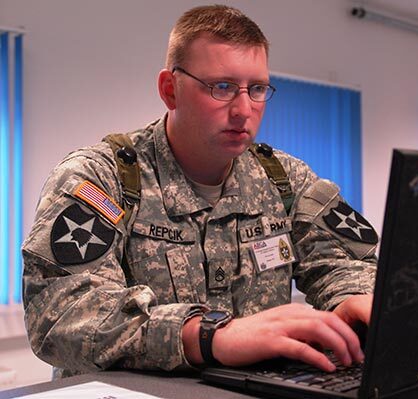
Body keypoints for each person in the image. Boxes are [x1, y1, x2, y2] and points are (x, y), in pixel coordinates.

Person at [22, 5, 378, 378]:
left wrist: (352, 297)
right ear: (169, 89)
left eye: (256, 89)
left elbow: (345, 264)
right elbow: (61, 315)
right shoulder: (103, 178)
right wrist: (209, 336)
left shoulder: (285, 180)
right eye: (221, 87)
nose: (244, 109)